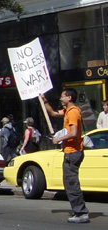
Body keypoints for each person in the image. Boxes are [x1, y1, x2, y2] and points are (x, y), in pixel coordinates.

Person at [41, 89, 90, 223]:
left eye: (62, 96)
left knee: (71, 183)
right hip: (71, 152)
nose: (60, 99)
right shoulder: (68, 111)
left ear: (69, 98)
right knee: (69, 182)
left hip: (72, 152)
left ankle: (81, 213)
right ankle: (79, 211)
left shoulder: (73, 112)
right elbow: (52, 113)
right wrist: (44, 100)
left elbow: (74, 133)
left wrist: (59, 139)